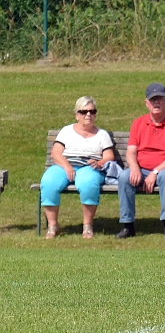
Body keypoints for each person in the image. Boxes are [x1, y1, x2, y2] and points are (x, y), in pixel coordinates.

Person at [116, 83, 165, 239]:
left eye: (160, 99)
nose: (157, 103)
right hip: (141, 169)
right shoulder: (138, 123)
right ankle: (128, 225)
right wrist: (134, 168)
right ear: (146, 103)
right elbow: (131, 152)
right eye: (153, 99)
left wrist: (155, 172)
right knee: (124, 177)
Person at [39, 96, 115, 239]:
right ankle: (53, 225)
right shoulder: (67, 131)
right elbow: (56, 153)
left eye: (92, 112)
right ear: (77, 115)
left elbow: (109, 156)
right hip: (64, 165)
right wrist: (67, 166)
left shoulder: (102, 134)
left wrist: (99, 163)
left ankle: (87, 226)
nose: (88, 115)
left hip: (89, 167)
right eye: (84, 111)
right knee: (49, 182)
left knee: (88, 183)